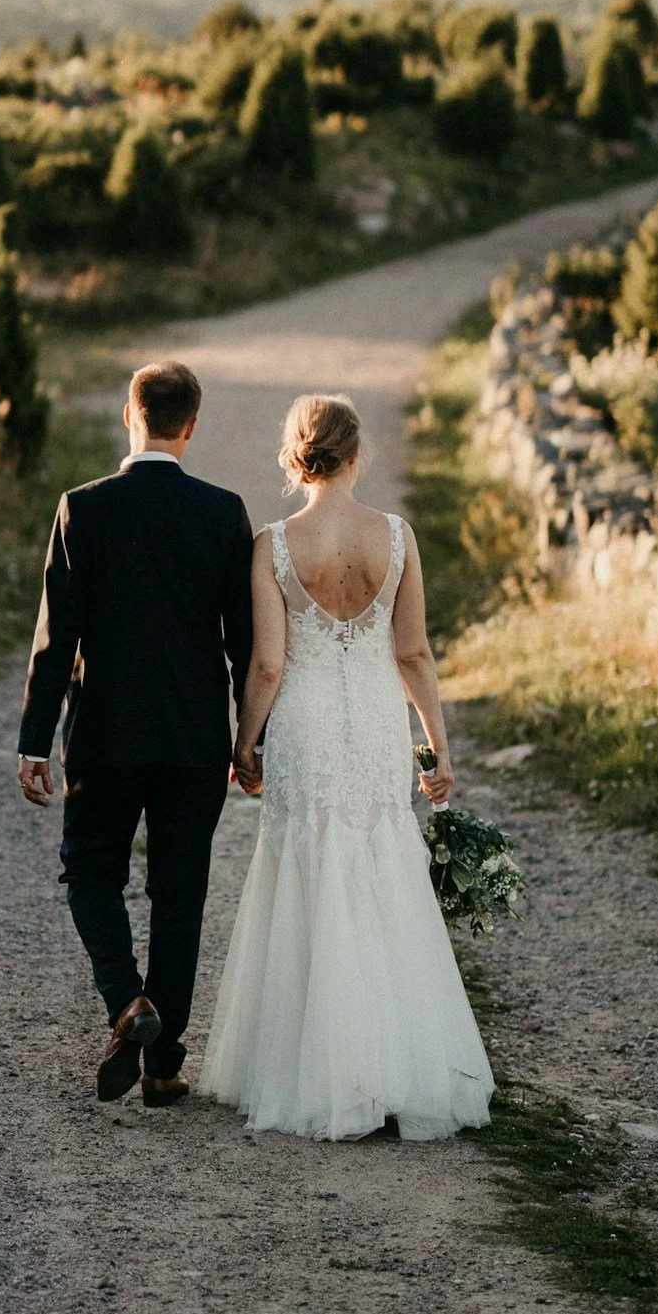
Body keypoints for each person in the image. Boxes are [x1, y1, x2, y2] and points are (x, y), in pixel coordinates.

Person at [199, 393, 494, 1141]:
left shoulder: (273, 543)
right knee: (380, 868)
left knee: (306, 871)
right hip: (371, 723)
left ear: (296, 455)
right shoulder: (395, 537)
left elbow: (267, 663)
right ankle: (400, 1066)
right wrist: (437, 747)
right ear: (357, 453)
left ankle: (316, 1070)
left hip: (305, 725)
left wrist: (244, 742)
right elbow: (414, 654)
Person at [18, 361, 253, 1104]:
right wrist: (251, 738)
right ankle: (163, 1065)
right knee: (179, 896)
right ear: (191, 426)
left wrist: (33, 739)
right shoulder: (222, 512)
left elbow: (58, 638)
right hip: (194, 737)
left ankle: (127, 1002)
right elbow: (245, 642)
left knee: (91, 871)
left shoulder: (82, 509)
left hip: (104, 734)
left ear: (131, 415)